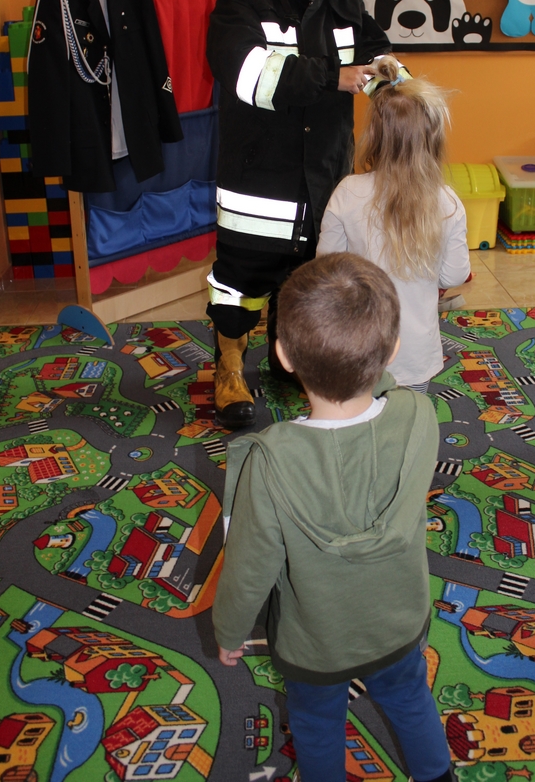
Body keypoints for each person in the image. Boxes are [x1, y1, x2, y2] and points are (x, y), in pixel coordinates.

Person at [212, 252, 453, 782]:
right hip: (398, 621)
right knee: (411, 701)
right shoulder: (419, 415)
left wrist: (229, 629)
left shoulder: (270, 460)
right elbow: (391, 393)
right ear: (393, 351)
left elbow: (250, 564)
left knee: (317, 726)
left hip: (315, 642)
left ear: (283, 355)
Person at [206, 0, 391, 428]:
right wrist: (335, 76)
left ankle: (289, 356)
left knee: (310, 277)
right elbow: (246, 74)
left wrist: (388, 72)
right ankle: (229, 367)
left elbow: (370, 45)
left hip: (325, 172)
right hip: (261, 179)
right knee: (242, 281)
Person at [317, 56, 470, 392]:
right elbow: (454, 276)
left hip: (357, 348)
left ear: (374, 135)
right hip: (416, 354)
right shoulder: (448, 203)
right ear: (433, 139)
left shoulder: (347, 191)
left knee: (360, 415)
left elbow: (326, 267)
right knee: (411, 417)